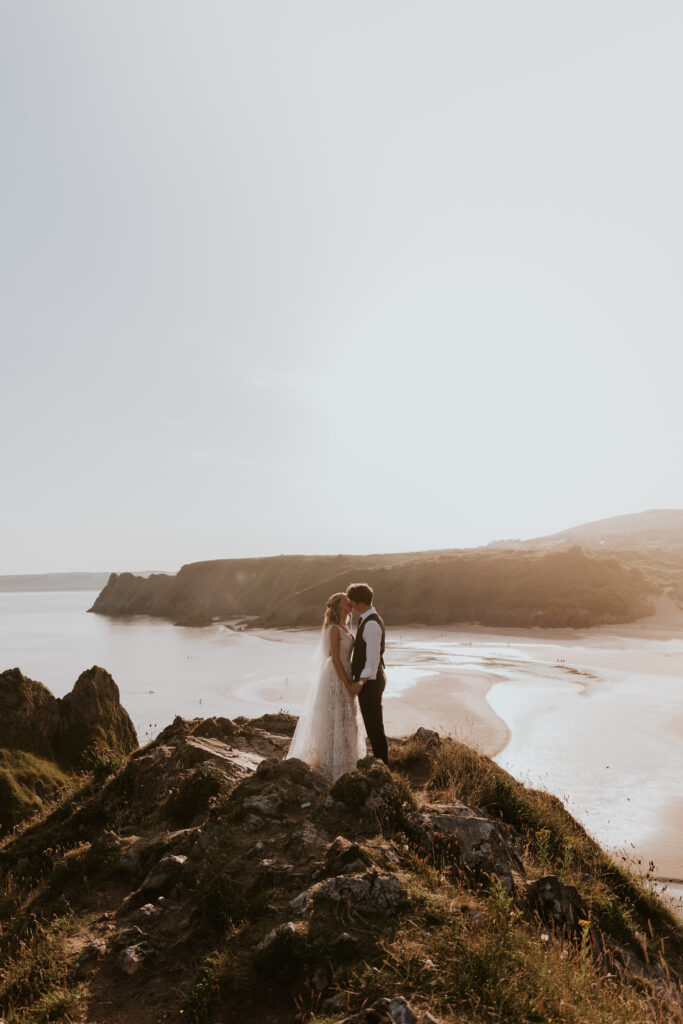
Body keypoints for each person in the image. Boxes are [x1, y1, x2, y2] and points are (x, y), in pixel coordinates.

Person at [286, 592, 366, 781]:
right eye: (346, 600)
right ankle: (332, 762)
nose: (350, 602)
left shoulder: (346, 626)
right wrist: (346, 683)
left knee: (347, 716)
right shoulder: (334, 629)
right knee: (334, 716)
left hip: (346, 672)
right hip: (336, 677)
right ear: (339, 606)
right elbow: (335, 659)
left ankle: (348, 759)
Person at [345, 582, 389, 765]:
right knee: (373, 725)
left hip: (370, 682)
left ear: (360, 604)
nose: (350, 606)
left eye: (351, 603)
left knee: (374, 727)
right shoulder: (367, 618)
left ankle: (384, 767)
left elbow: (371, 662)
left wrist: (359, 683)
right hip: (371, 679)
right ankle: (382, 765)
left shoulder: (371, 625)